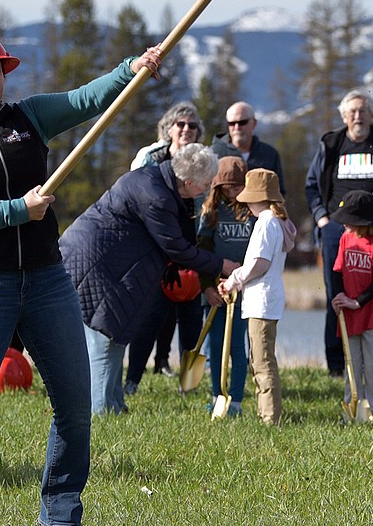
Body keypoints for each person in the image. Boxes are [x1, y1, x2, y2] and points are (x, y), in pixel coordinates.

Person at [0, 26, 162, 526]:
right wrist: (15, 212)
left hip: (48, 281)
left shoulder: (27, 118)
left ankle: (62, 520)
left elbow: (84, 101)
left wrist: (131, 68)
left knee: (75, 403)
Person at [62, 144, 236, 415]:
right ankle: (99, 410)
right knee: (103, 338)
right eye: (204, 184)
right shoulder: (157, 196)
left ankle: (114, 404)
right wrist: (221, 264)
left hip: (112, 266)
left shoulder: (158, 183)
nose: (205, 190)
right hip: (94, 266)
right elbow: (175, 247)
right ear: (188, 181)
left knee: (116, 336)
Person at [305, 90, 373, 378]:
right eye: (352, 112)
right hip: (337, 230)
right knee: (336, 294)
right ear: (344, 116)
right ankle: (337, 364)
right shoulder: (331, 144)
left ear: (371, 115)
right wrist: (322, 220)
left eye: (363, 111)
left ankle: (371, 363)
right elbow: (312, 185)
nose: (358, 116)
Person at [125, 102, 206, 394]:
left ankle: (191, 384)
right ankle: (132, 381)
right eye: (180, 124)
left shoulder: (205, 160)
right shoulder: (150, 158)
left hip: (191, 252)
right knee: (148, 321)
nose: (186, 129)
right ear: (168, 128)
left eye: (192, 125)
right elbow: (133, 199)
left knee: (192, 326)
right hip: (155, 253)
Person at [219, 169, 296, 425]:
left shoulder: (265, 222)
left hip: (262, 301)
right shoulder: (276, 221)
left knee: (262, 362)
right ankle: (267, 414)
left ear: (258, 198)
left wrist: (234, 281)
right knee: (262, 359)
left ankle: (269, 418)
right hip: (267, 300)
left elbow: (258, 264)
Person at [331, 190, 373, 420]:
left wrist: (357, 301)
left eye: (349, 220)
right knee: (352, 365)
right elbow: (337, 271)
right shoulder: (346, 238)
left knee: (372, 366)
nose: (344, 224)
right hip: (349, 313)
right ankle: (352, 410)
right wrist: (339, 297)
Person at [198, 157, 253, 413]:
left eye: (237, 187)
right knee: (217, 344)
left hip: (243, 290)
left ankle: (237, 399)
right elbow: (202, 252)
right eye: (228, 187)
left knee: (237, 346)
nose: (233, 192)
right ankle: (217, 396)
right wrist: (207, 288)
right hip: (215, 292)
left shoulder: (252, 212)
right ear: (218, 186)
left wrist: (241, 278)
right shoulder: (211, 212)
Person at [211, 101, 285, 190]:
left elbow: (279, 191)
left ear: (254, 123)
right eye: (232, 123)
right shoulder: (214, 153)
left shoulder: (270, 154)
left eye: (242, 122)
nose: (237, 127)